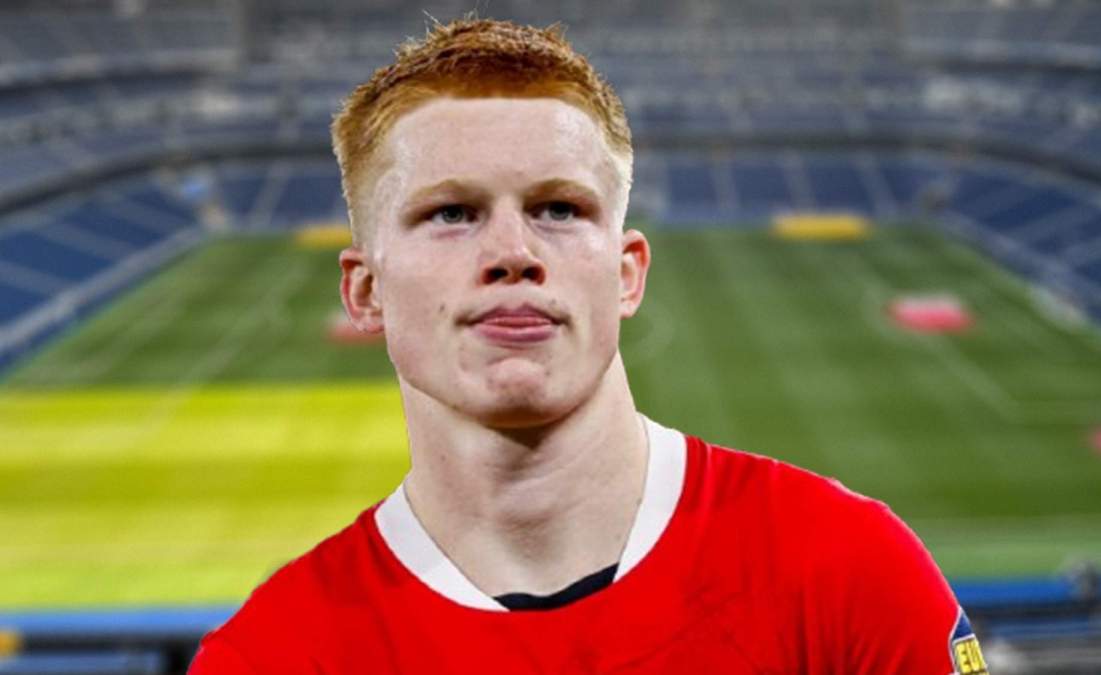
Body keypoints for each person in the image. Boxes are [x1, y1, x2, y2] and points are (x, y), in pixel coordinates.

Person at [189, 17, 988, 674]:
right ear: (365, 290)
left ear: (628, 273)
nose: (512, 250)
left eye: (560, 208)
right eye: (452, 213)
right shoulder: (267, 656)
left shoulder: (849, 571)